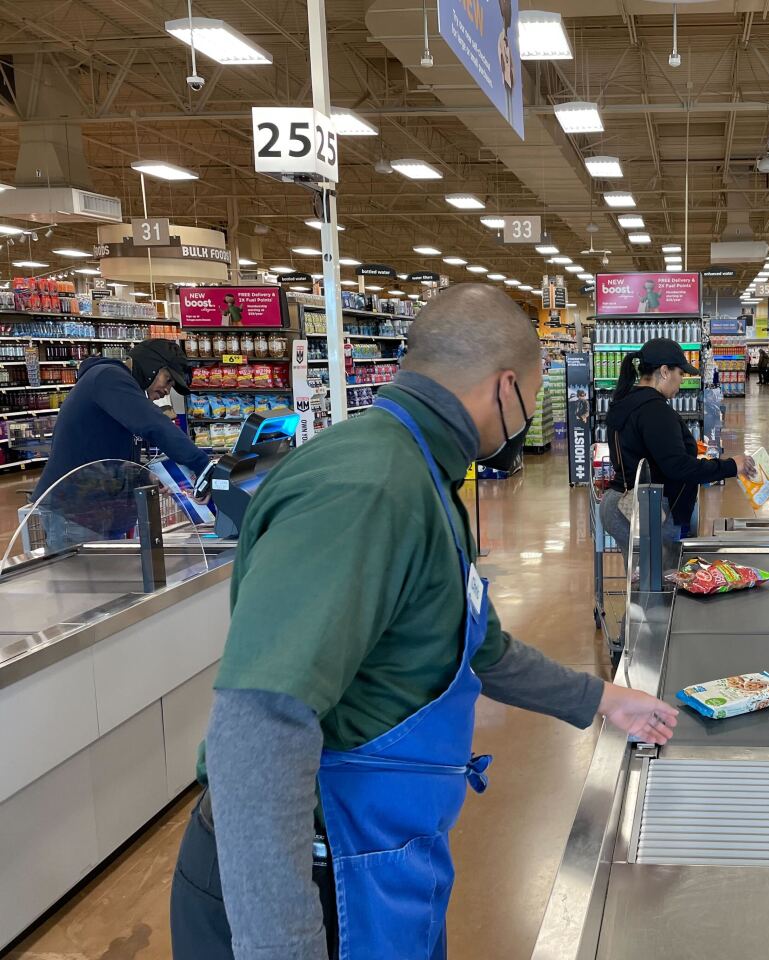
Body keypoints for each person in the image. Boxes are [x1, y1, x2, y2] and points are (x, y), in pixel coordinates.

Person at [169, 285, 677, 959]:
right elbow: (258, 727)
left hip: (379, 859)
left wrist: (607, 700)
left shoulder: (424, 475)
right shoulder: (369, 490)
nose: (524, 420)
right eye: (528, 398)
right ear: (505, 388)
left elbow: (481, 647)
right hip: (309, 887)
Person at [30, 340, 210, 547]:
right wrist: (202, 465)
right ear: (151, 366)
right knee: (80, 578)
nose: (167, 390)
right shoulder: (108, 377)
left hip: (96, 510)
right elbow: (154, 425)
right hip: (76, 511)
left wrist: (145, 475)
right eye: (167, 380)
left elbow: (109, 453)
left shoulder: (117, 388)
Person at [600, 338, 750, 551]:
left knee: (642, 579)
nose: (681, 381)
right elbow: (678, 467)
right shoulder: (655, 410)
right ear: (664, 371)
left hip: (622, 503)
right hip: (647, 509)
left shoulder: (627, 401)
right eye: (680, 373)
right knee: (662, 578)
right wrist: (731, 466)